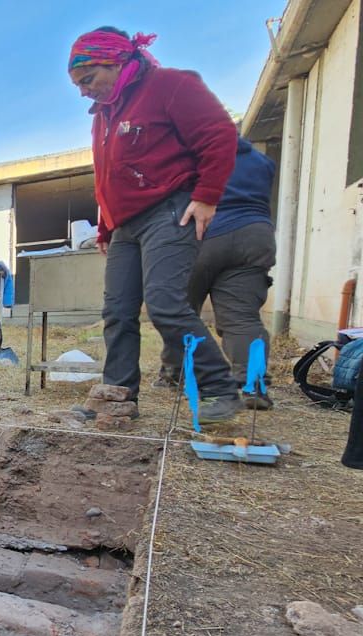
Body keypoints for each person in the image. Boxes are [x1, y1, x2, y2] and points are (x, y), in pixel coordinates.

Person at [68, 27, 243, 422]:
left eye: (88, 79)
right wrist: (106, 228)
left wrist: (207, 195)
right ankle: (119, 397)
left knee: (164, 304)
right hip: (124, 227)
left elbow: (218, 134)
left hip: (169, 210)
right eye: (78, 84)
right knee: (117, 311)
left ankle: (221, 388)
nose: (83, 91)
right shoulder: (104, 115)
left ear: (114, 62)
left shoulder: (170, 86)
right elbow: (107, 177)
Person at [156, 137, 277, 410]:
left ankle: (175, 374)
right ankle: (253, 384)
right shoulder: (263, 162)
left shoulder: (191, 149)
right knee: (242, 318)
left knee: (179, 310)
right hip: (254, 235)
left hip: (201, 231)